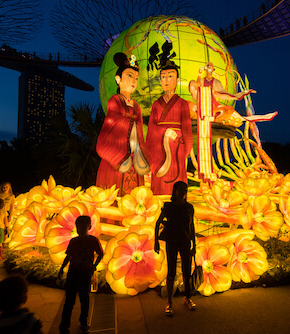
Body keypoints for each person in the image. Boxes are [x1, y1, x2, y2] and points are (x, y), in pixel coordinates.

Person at [96, 52, 151, 197]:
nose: (134, 81)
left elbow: (139, 130)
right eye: (129, 76)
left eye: (136, 78)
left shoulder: (136, 106)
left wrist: (140, 147)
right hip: (118, 152)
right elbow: (112, 121)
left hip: (134, 153)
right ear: (118, 79)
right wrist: (129, 123)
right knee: (115, 189)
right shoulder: (114, 100)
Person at [146, 59, 193, 195]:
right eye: (163, 77)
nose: (166, 80)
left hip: (177, 147)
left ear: (177, 80)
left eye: (170, 76)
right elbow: (151, 127)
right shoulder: (156, 104)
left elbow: (187, 129)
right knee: (159, 180)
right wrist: (164, 131)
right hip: (159, 147)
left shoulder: (183, 103)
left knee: (177, 179)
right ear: (160, 81)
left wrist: (184, 151)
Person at [154, 181, 197, 316]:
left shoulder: (189, 207)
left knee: (186, 271)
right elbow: (158, 223)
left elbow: (192, 227)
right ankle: (169, 302)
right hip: (172, 242)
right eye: (181, 190)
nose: (183, 193)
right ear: (175, 191)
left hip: (185, 242)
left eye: (185, 190)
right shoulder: (168, 206)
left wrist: (194, 244)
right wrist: (155, 241)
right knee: (171, 272)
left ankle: (187, 297)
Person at [58, 216, 103, 334]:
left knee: (82, 298)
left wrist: (94, 266)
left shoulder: (91, 241)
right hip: (75, 271)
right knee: (72, 300)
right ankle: (67, 325)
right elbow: (68, 256)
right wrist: (62, 268)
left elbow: (100, 254)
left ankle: (80, 323)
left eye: (83, 227)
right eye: (79, 227)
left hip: (83, 272)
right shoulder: (76, 241)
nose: (81, 229)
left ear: (89, 227)